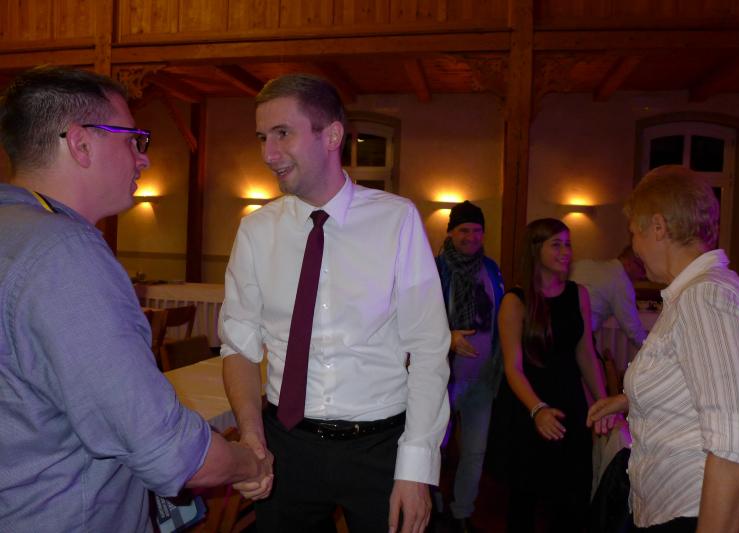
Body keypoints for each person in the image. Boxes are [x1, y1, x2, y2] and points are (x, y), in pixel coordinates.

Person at [0, 66, 272, 532]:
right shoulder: (64, 252)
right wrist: (251, 463)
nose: (142, 159)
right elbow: (166, 449)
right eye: (133, 140)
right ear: (81, 144)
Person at [219, 73, 451, 533]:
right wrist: (252, 437)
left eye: (282, 133)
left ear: (332, 136)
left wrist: (415, 468)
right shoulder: (256, 231)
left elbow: (428, 351)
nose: (268, 154)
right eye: (263, 138)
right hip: (286, 447)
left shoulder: (397, 220)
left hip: (379, 449)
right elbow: (238, 347)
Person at [587, 165, 739, 532]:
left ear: (658, 227)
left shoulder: (706, 298)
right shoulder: (695, 295)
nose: (635, 248)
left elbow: (734, 444)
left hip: (698, 510)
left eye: (634, 233)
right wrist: (630, 400)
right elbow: (693, 381)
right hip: (681, 506)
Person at [498, 217, 612, 532]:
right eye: (557, 245)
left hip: (569, 401)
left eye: (568, 245)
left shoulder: (579, 294)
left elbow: (585, 353)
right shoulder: (515, 301)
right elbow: (512, 367)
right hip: (528, 404)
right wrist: (537, 410)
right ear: (535, 249)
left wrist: (603, 401)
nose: (566, 252)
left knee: (572, 496)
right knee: (525, 500)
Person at [435, 201, 504, 532]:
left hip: (483, 379)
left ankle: (462, 511)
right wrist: (447, 338)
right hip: (443, 379)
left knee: (475, 452)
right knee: (435, 448)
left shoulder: (491, 269)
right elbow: (418, 320)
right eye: (464, 230)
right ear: (450, 232)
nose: (471, 237)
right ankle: (432, 505)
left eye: (477, 230)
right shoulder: (435, 269)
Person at [571, 245, 648, 348]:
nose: (643, 275)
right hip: (576, 338)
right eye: (643, 270)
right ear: (630, 263)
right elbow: (634, 331)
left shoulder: (585, 264)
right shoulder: (622, 283)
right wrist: (657, 353)